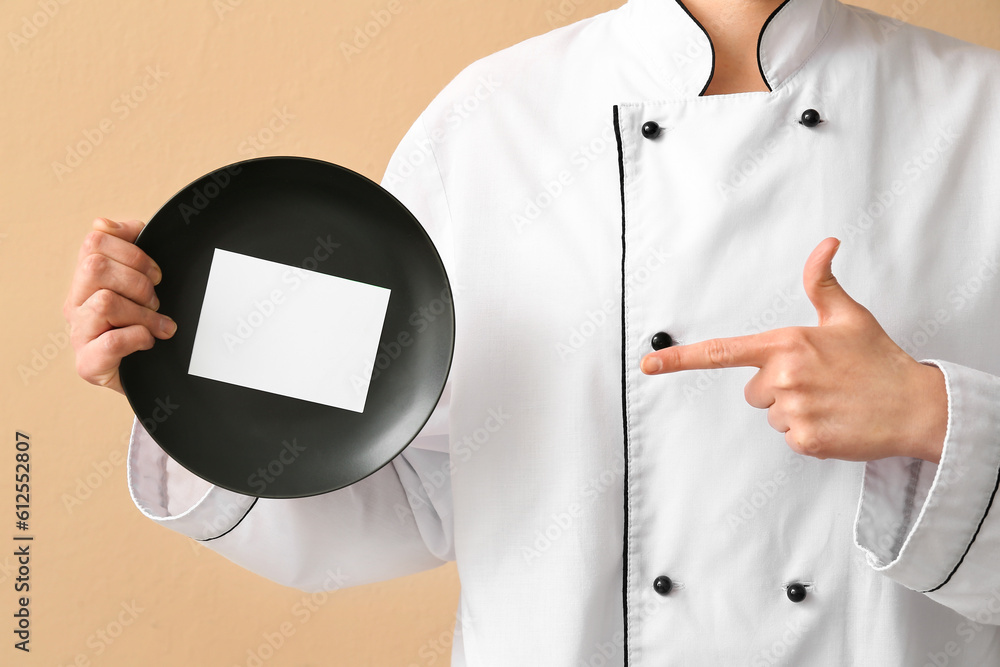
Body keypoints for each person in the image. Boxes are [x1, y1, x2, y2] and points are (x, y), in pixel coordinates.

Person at [64, 0, 1000, 664]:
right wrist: (175, 364)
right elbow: (411, 486)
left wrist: (934, 415)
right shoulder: (490, 120)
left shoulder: (979, 115)